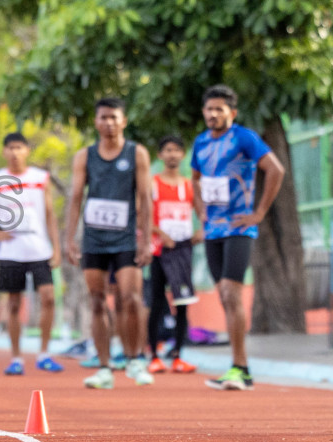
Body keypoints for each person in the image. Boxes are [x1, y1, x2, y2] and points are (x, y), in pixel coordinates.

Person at [192, 84, 285, 392]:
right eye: (209, 109)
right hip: (213, 230)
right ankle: (237, 367)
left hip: (239, 227)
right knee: (224, 296)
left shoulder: (243, 137)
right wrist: (200, 208)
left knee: (232, 293)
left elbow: (275, 170)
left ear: (232, 113)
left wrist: (258, 213)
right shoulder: (200, 143)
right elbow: (195, 178)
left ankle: (241, 367)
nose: (213, 114)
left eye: (219, 109)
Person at [64, 98, 153, 390]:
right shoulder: (84, 156)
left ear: (124, 121)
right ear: (96, 122)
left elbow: (144, 198)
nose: (109, 123)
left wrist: (146, 239)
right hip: (94, 238)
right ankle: (104, 368)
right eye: (103, 117)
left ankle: (135, 359)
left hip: (126, 237)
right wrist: (70, 239)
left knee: (131, 299)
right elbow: (76, 198)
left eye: (114, 117)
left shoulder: (136, 153)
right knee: (98, 301)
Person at [0, 132, 63, 375]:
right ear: (4, 152)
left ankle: (44, 354)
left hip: (39, 248)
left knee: (49, 298)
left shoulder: (40, 178)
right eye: (10, 148)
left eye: (19, 147)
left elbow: (50, 215)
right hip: (11, 250)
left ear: (27, 151)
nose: (14, 152)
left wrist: (56, 248)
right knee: (13, 304)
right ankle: (16, 358)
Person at [147, 135, 200, 374]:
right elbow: (144, 216)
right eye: (167, 150)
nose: (172, 154)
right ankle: (154, 356)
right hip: (160, 251)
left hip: (183, 251)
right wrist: (160, 234)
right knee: (157, 302)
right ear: (160, 155)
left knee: (183, 303)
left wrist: (204, 231)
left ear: (182, 155)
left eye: (177, 150)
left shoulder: (188, 185)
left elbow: (203, 212)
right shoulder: (153, 183)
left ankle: (179, 355)